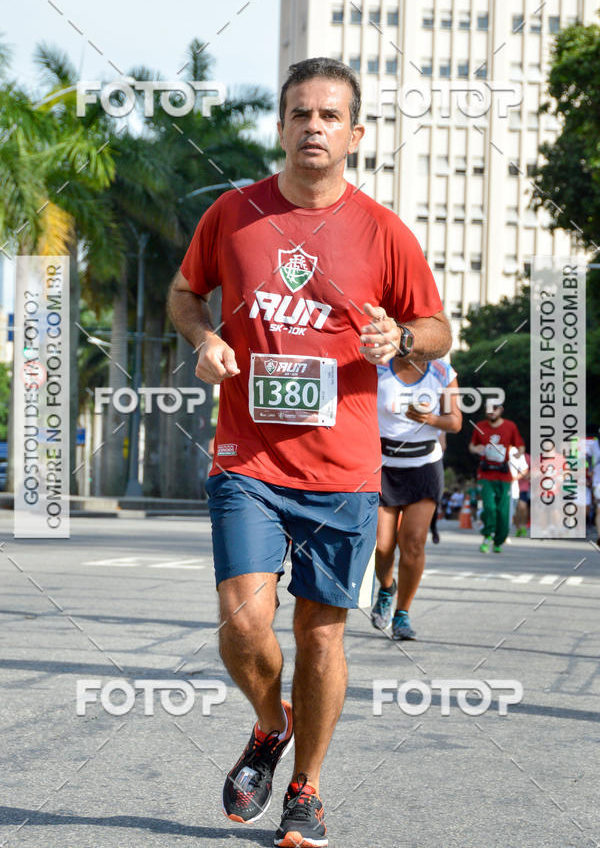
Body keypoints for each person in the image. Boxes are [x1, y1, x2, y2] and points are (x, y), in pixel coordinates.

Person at [167, 57, 451, 848]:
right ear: (282, 127)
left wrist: (402, 337)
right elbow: (185, 293)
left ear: (354, 134)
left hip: (343, 470)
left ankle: (306, 789)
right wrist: (206, 336)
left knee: (321, 632)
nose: (313, 126)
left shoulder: (383, 231)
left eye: (330, 115)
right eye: (300, 113)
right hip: (248, 459)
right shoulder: (234, 214)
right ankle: (270, 722)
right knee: (242, 620)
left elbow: (436, 329)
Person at [371, 358, 462, 638]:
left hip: (424, 465)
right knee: (382, 545)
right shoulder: (378, 367)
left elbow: (455, 422)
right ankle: (387, 588)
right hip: (383, 464)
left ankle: (402, 614)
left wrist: (430, 418)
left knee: (412, 542)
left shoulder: (442, 372)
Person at [469, 402, 525, 553]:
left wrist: (519, 453)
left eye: (494, 409)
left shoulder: (510, 426)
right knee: (489, 507)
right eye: (488, 409)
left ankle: (498, 540)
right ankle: (487, 535)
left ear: (501, 410)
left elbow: (520, 445)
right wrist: (476, 449)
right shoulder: (480, 426)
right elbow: (472, 446)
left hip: (504, 474)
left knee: (503, 511)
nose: (491, 412)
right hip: (485, 473)